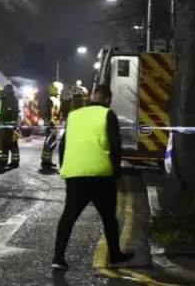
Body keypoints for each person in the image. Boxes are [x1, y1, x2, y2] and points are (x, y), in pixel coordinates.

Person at [52, 85, 134, 270]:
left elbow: (63, 144)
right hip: (101, 175)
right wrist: (117, 173)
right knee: (109, 219)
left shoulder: (74, 115)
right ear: (107, 99)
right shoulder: (108, 114)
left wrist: (65, 166)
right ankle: (115, 255)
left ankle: (58, 258)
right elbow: (115, 145)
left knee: (68, 217)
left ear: (92, 97)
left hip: (75, 174)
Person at [41, 82, 62, 169]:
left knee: (50, 143)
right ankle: (46, 162)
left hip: (54, 124)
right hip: (52, 125)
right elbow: (48, 112)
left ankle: (47, 160)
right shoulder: (52, 100)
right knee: (49, 143)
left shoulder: (55, 99)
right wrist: (50, 123)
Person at [0, 83, 20, 168]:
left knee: (5, 143)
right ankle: (15, 161)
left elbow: (4, 110)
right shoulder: (14, 98)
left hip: (7, 124)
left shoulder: (7, 98)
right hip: (13, 124)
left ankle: (4, 161)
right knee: (13, 143)